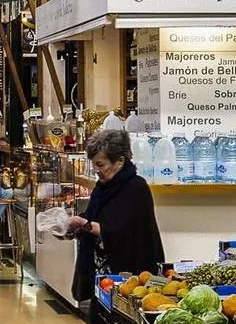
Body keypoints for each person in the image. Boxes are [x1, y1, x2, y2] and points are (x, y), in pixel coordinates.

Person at [67, 128, 164, 303]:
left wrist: (82, 223)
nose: (96, 170)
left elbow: (119, 231)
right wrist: (72, 227)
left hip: (128, 278)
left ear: (120, 161)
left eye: (101, 164)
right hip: (102, 276)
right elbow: (95, 217)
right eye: (94, 164)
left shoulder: (136, 188)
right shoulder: (103, 187)